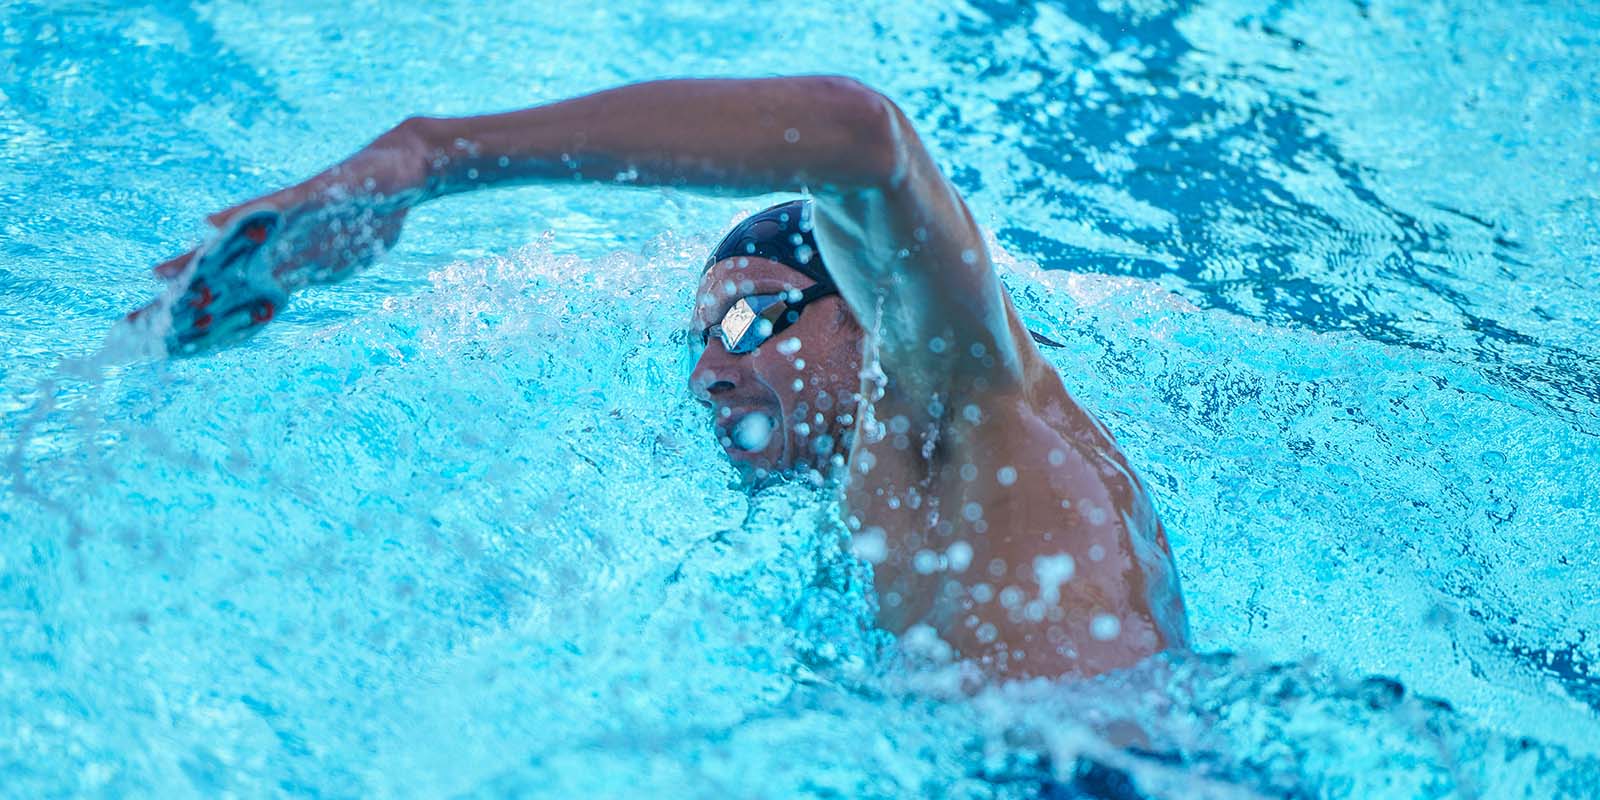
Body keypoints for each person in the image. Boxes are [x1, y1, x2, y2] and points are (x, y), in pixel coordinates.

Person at [135, 76, 1189, 678]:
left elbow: (859, 137)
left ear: (869, 314)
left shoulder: (963, 397)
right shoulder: (888, 502)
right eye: (696, 341)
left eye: (748, 318)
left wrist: (430, 156)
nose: (708, 373)